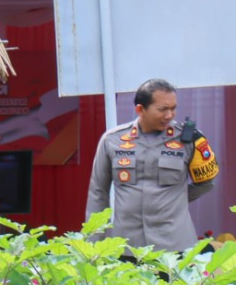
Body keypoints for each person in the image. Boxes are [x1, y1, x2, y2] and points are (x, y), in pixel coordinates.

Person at [86, 79, 220, 252]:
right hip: (126, 246)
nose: (170, 115)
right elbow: (98, 192)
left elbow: (207, 182)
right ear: (140, 109)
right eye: (163, 109)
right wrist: (94, 242)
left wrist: (173, 199)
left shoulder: (189, 139)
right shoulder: (112, 140)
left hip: (174, 246)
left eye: (173, 108)